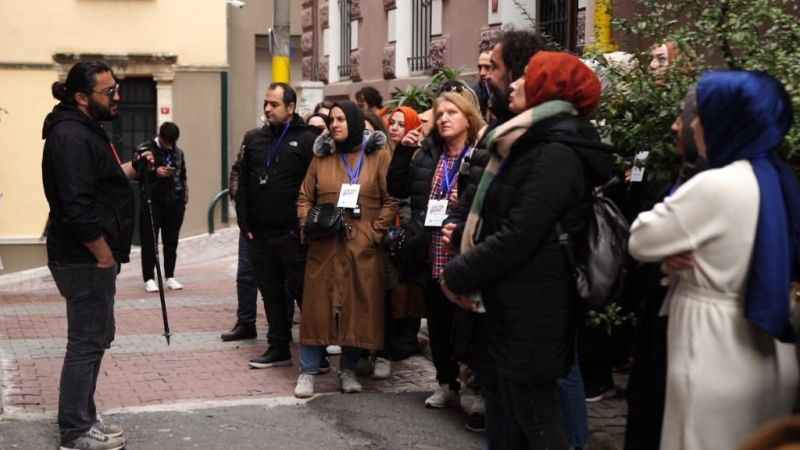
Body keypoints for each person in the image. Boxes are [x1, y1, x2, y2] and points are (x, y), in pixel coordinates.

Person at [442, 51, 614, 450]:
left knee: (535, 422)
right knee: (505, 421)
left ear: (548, 89)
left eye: (527, 77)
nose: (515, 83)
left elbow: (520, 233)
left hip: (535, 311)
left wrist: (459, 273)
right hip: (511, 306)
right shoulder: (528, 142)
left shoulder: (555, 153)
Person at [628, 70, 800, 450]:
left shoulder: (717, 183)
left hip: (712, 341)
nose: (687, 125)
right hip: (768, 347)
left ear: (726, 119)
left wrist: (668, 251)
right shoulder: (781, 178)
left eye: (698, 115)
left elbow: (641, 238)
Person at [43, 61, 154, 450]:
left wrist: (132, 169)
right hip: (83, 257)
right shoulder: (71, 136)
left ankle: (83, 415)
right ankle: (74, 429)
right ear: (81, 97)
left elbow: (100, 179)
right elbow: (76, 205)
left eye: (117, 89)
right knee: (87, 340)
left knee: (97, 336)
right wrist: (103, 254)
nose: (117, 96)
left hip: (88, 256)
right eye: (108, 92)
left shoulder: (84, 129)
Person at [294, 101, 397, 398]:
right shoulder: (321, 158)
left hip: (360, 245)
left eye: (340, 119)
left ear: (353, 120)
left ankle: (348, 370)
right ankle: (308, 372)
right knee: (316, 307)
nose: (334, 124)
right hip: (324, 246)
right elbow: (304, 197)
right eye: (331, 120)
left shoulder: (378, 157)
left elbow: (392, 199)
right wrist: (308, 225)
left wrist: (374, 233)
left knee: (357, 306)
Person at [405, 91, 486, 409]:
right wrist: (402, 153)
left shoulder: (478, 156)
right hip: (432, 253)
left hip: (463, 257)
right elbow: (401, 187)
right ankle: (445, 382)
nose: (444, 119)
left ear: (468, 117)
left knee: (465, 328)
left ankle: (472, 388)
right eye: (439, 114)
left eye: (452, 112)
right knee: (438, 326)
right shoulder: (428, 154)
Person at [234, 82, 316, 369]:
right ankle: (278, 347)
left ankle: (316, 353)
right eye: (266, 103)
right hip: (260, 235)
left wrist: (305, 227)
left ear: (291, 108)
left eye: (274, 104)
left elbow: (315, 186)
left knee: (305, 294)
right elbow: (241, 184)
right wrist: (244, 223)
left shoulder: (307, 140)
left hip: (293, 235)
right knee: (270, 293)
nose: (268, 109)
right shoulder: (253, 138)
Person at [138, 121, 188, 293]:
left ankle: (170, 276)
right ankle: (149, 278)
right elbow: (137, 173)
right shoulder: (146, 149)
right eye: (168, 142)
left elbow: (183, 175)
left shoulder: (178, 152)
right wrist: (155, 171)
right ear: (160, 137)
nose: (170, 145)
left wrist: (183, 199)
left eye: (173, 142)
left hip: (175, 203)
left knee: (171, 241)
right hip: (152, 202)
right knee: (150, 241)